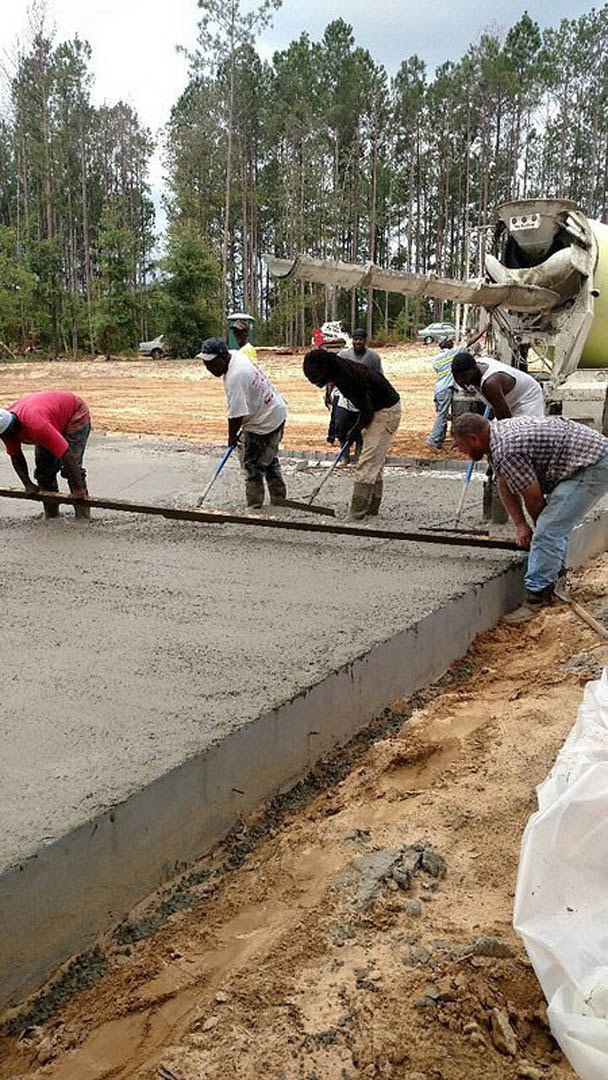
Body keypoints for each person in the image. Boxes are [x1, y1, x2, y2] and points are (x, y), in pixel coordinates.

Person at [452, 412, 608, 607]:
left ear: (473, 439)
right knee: (553, 524)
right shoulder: (496, 439)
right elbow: (504, 481)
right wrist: (520, 524)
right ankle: (555, 579)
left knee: (549, 529)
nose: (461, 452)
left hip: (593, 464)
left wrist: (539, 535)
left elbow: (533, 499)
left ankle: (538, 597)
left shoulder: (507, 449)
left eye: (460, 446)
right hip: (579, 460)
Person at [303, 347, 401, 519]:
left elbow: (367, 410)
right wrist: (354, 429)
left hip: (386, 411)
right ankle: (371, 509)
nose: (313, 382)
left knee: (368, 462)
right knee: (373, 461)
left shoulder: (347, 378)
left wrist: (355, 430)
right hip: (377, 408)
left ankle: (357, 514)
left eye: (314, 378)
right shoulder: (339, 369)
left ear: (325, 370)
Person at [199, 337, 287, 509]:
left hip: (264, 421)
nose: (209, 369)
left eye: (212, 364)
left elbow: (236, 415)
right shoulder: (236, 356)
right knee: (268, 458)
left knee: (252, 465)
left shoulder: (235, 376)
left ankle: (254, 506)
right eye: (206, 364)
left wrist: (231, 437)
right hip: (274, 410)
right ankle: (279, 499)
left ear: (223, 357)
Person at [0, 390, 91, 519]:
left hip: (74, 413)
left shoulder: (37, 426)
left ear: (12, 429)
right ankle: (52, 515)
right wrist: (28, 484)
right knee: (44, 472)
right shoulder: (4, 428)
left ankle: (83, 516)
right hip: (48, 417)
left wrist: (78, 489)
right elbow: (16, 457)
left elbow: (66, 454)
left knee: (70, 470)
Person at [426, 324, 489, 448]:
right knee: (442, 416)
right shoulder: (451, 354)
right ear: (445, 343)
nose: (452, 342)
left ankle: (439, 439)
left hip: (439, 389)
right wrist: (483, 330)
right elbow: (470, 343)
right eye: (449, 340)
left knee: (441, 414)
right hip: (446, 389)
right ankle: (433, 440)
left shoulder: (438, 358)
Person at [333, 328, 384, 463]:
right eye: (355, 339)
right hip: (345, 400)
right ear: (352, 340)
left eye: (361, 339)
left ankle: (359, 452)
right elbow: (333, 373)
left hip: (364, 401)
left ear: (365, 341)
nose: (358, 342)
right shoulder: (343, 355)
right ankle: (344, 454)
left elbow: (379, 378)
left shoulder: (373, 358)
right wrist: (329, 392)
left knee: (362, 428)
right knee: (341, 427)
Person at [451, 352, 544, 419]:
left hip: (527, 398)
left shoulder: (490, 383)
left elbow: (505, 420)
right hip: (510, 400)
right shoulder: (474, 366)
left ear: (475, 369)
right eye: (457, 377)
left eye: (464, 376)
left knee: (523, 433)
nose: (461, 381)